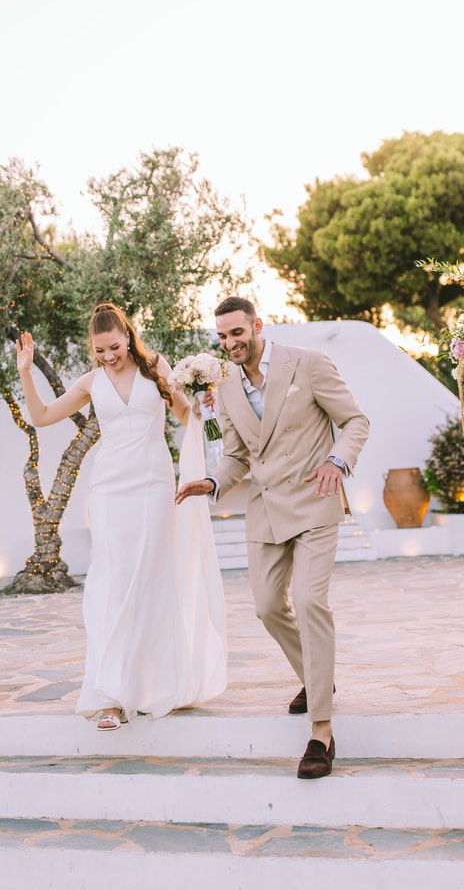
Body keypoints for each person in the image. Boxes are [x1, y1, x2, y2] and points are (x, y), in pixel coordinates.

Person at [175, 296, 369, 779]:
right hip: (265, 512)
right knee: (266, 606)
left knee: (309, 601)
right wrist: (214, 482)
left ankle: (321, 733)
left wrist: (336, 461)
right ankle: (315, 675)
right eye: (222, 337)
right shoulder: (225, 388)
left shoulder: (309, 363)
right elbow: (238, 456)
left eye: (237, 333)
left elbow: (355, 421)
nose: (230, 343)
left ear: (257, 326)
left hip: (315, 500)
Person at [16, 303, 228, 730]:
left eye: (113, 346)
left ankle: (152, 685)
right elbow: (41, 417)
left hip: (153, 485)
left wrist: (205, 403)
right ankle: (110, 695)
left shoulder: (155, 368)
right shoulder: (90, 382)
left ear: (128, 337)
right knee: (111, 584)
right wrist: (26, 371)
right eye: (99, 350)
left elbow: (184, 415)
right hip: (111, 489)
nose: (108, 356)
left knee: (149, 579)